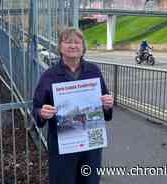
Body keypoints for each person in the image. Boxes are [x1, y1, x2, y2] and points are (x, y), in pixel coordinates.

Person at [33, 27, 114, 184]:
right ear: (60, 47)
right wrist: (41, 113)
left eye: (77, 42)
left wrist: (107, 105)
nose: (73, 45)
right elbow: (36, 108)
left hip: (90, 145)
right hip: (62, 145)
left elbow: (105, 107)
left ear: (83, 47)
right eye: (68, 41)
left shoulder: (93, 71)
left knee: (90, 181)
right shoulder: (49, 76)